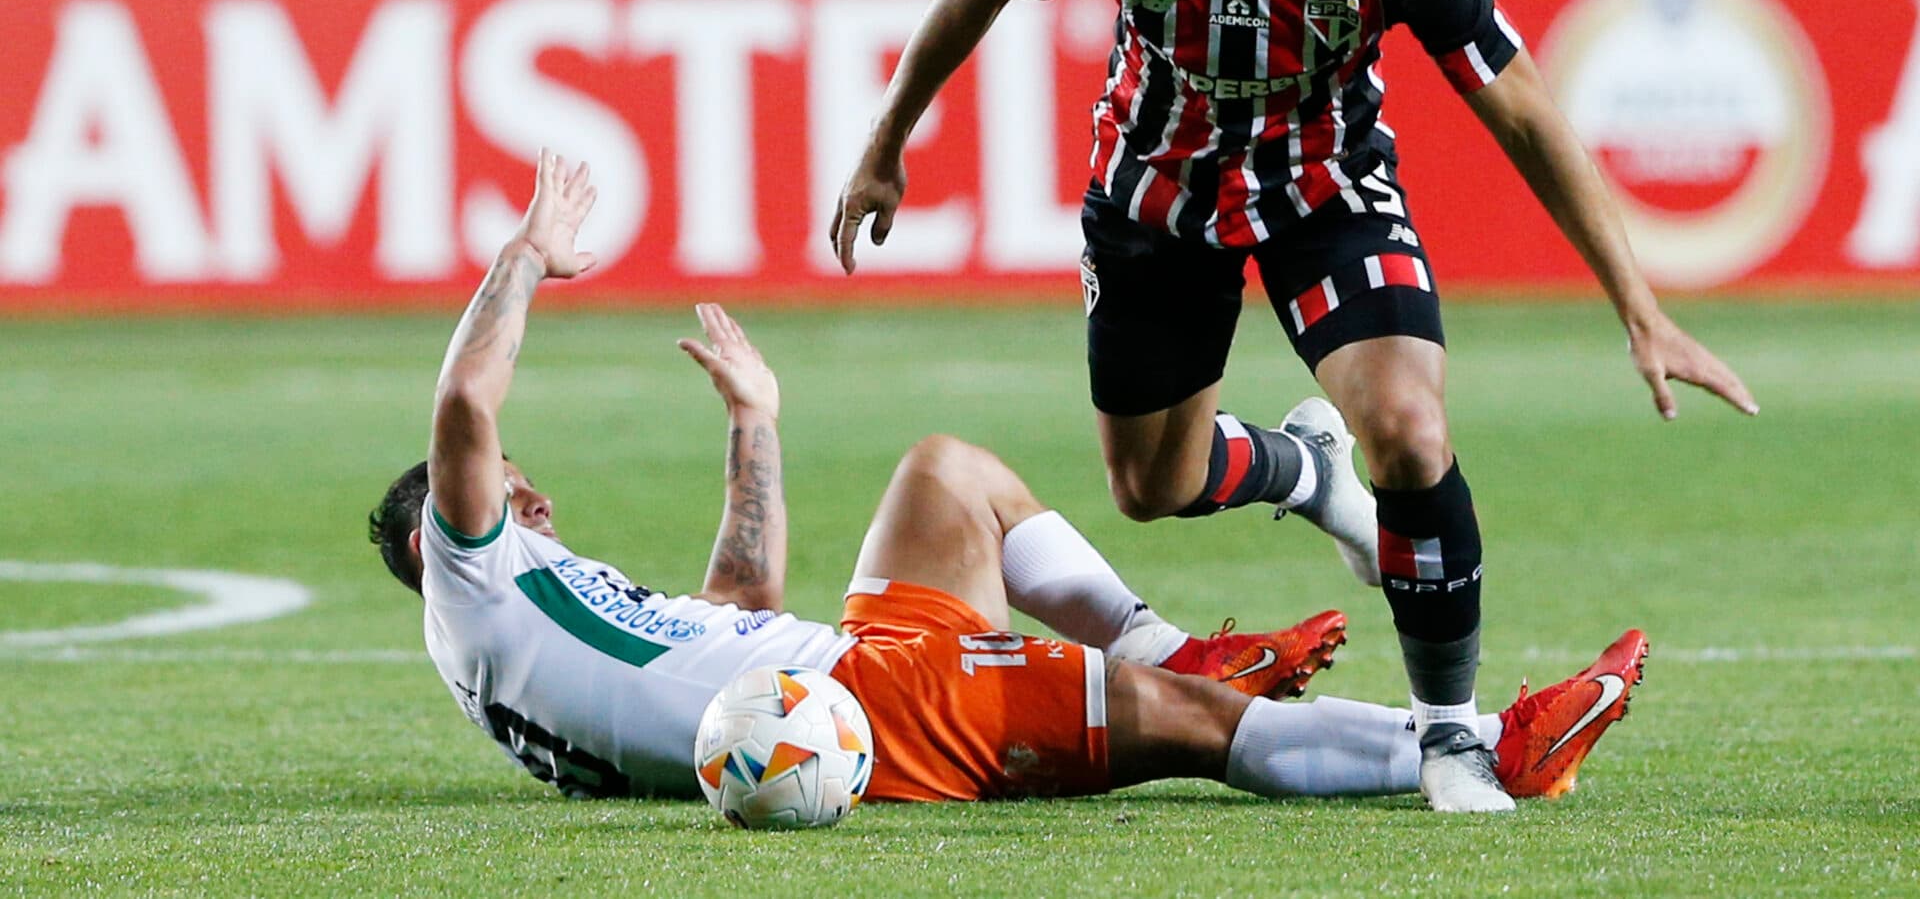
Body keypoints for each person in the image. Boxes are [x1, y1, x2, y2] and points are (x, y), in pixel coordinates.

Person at [830, 0, 1744, 811]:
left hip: (1324, 196)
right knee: (1150, 489)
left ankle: (1450, 734)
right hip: (1157, 201)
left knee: (1408, 428)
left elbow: (1525, 111)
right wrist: (885, 144)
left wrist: (1640, 309)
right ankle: (1302, 471)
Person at [370, 149, 1645, 807]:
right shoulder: (477, 585)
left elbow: (740, 607)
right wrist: (525, 254)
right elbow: (466, 402)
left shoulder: (520, 632)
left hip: (832, 678)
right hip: (876, 712)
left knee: (947, 472)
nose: (530, 500)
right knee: (1197, 729)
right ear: (439, 536)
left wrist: (755, 422)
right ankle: (1486, 745)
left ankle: (1170, 641)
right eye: (504, 494)